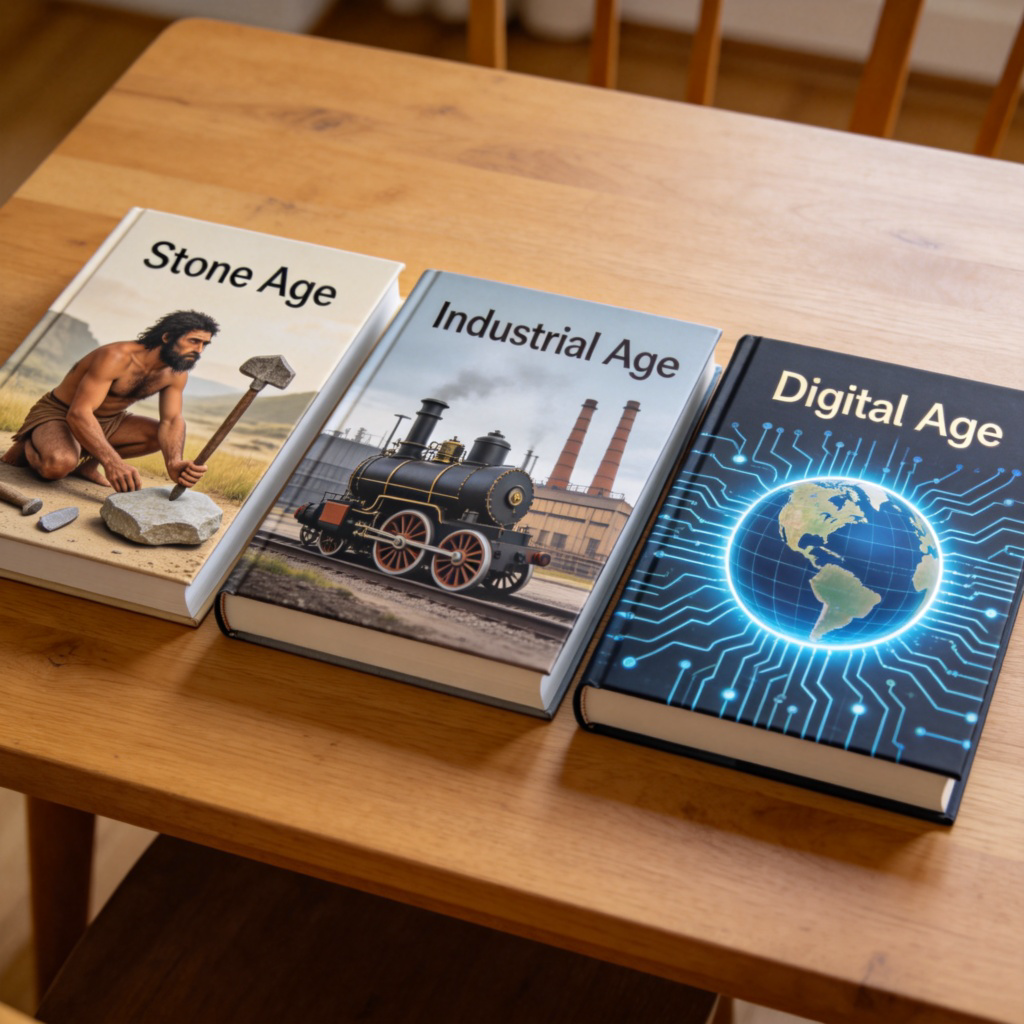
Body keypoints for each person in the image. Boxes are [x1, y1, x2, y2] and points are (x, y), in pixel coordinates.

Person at [2, 310, 219, 492]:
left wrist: (173, 461)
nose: (199, 351)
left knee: (158, 436)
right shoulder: (116, 357)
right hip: (61, 414)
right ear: (167, 337)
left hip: (109, 421)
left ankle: (86, 467)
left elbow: (171, 420)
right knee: (58, 466)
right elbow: (79, 413)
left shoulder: (176, 372)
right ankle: (29, 440)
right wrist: (113, 462)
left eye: (204, 345)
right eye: (193, 341)